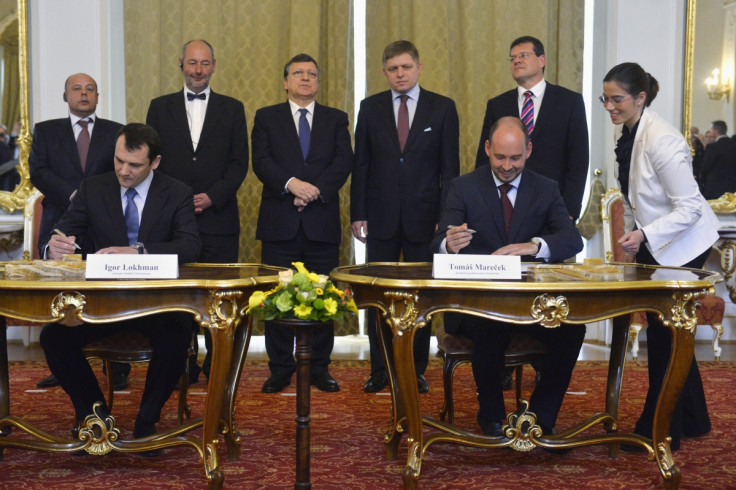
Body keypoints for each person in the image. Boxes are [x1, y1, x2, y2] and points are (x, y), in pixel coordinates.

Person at [40, 123, 201, 449]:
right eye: (118, 161)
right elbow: (62, 232)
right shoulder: (93, 188)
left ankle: (147, 421)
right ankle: (95, 414)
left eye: (134, 165)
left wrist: (139, 250)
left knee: (178, 333)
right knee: (53, 337)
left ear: (154, 162)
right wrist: (53, 246)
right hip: (102, 302)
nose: (124, 171)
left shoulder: (177, 192)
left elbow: (190, 246)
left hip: (156, 301)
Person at [431, 117, 584, 437]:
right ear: (487, 149)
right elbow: (436, 242)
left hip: (531, 303)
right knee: (490, 324)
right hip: (477, 304)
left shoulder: (546, 188)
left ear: (528, 150)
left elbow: (572, 239)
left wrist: (534, 246)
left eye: (515, 158)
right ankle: (492, 416)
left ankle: (541, 416)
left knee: (572, 330)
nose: (507, 166)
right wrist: (449, 243)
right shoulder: (464, 187)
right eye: (500, 157)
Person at [602, 62, 719, 451]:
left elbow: (690, 209)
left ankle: (661, 426)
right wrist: (639, 236)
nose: (610, 106)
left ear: (640, 97)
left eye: (617, 99)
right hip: (659, 243)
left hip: (687, 244)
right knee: (669, 330)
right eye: (606, 98)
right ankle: (694, 418)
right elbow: (639, 196)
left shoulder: (663, 139)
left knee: (666, 334)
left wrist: (645, 234)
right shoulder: (629, 132)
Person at [351, 40, 460, 394]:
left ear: (418, 67)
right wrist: (358, 213)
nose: (400, 74)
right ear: (385, 72)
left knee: (419, 298)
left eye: (406, 67)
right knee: (377, 297)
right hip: (380, 218)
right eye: (393, 69)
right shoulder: (369, 108)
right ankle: (380, 370)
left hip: (425, 220)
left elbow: (450, 171)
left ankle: (415, 370)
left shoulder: (442, 109)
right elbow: (361, 165)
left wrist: (445, 220)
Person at [146, 40, 249, 383]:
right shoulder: (159, 108)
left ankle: (217, 367)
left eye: (205, 64)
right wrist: (178, 201)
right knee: (178, 298)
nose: (198, 70)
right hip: (173, 222)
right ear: (181, 64)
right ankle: (181, 364)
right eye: (192, 63)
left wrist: (212, 197)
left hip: (219, 219)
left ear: (214, 66)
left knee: (219, 296)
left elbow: (239, 163)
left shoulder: (233, 108)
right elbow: (152, 163)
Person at [252, 53, 353, 393]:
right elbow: (261, 161)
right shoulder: (267, 117)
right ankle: (280, 368)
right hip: (280, 223)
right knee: (277, 297)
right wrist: (291, 185)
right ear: (286, 81)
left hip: (321, 222)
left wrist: (313, 192)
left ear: (318, 82)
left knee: (324, 297)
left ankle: (320, 368)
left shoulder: (336, 119)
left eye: (312, 74)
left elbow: (343, 162)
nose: (305, 78)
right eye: (298, 73)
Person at [28, 73, 127, 391]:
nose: (83, 94)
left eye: (90, 89)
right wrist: (74, 195)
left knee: (112, 293)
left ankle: (120, 366)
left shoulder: (115, 132)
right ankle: (63, 364)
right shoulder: (46, 131)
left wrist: (92, 199)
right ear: (65, 96)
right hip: (62, 221)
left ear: (98, 97)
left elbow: (122, 171)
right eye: (77, 89)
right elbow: (38, 170)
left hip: (106, 224)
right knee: (61, 294)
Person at [474, 36, 589, 221]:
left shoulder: (569, 101)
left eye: (524, 55)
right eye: (512, 58)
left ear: (541, 60)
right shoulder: (498, 104)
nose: (517, 60)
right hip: (505, 204)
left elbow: (579, 160)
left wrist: (569, 210)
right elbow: (484, 157)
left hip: (553, 205)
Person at [699, 120, 736, 199]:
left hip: (714, 188)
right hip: (732, 188)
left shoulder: (712, 147)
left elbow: (706, 168)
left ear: (715, 131)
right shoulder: (734, 145)